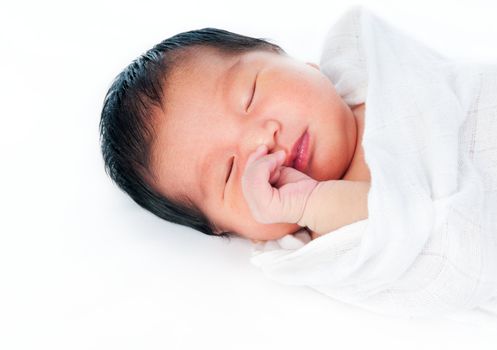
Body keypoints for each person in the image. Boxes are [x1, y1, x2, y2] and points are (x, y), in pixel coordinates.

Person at [100, 28, 370, 244]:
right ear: (224, 228)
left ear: (288, 58)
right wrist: (309, 204)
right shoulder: (333, 237)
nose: (261, 142)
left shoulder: (364, 46)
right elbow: (400, 220)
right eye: (228, 172)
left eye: (250, 97)